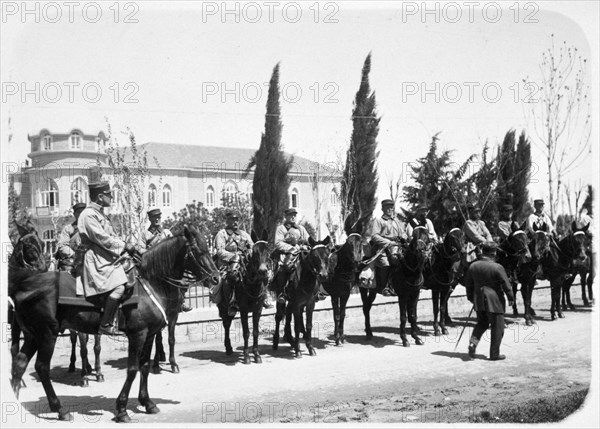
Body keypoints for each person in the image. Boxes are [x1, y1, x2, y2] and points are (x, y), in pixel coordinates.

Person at [78, 182, 136, 335]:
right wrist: (123, 246)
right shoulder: (88, 214)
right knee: (119, 286)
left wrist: (127, 246)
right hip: (97, 259)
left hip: (107, 256)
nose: (111, 197)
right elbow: (101, 237)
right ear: (100, 196)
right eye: (109, 194)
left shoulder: (100, 213)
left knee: (134, 270)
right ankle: (105, 324)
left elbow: (111, 236)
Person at [213, 210, 272, 312]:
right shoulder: (222, 234)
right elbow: (220, 251)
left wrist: (249, 254)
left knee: (260, 273)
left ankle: (264, 297)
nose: (235, 222)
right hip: (227, 263)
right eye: (232, 220)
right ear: (227, 221)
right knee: (230, 277)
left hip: (244, 262)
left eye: (237, 220)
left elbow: (252, 247)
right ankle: (232, 301)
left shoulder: (244, 234)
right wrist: (234, 256)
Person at [465, 242, 515, 361]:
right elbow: (506, 285)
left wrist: (471, 297)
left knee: (481, 324)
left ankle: (473, 344)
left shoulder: (473, 266)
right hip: (495, 301)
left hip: (479, 300)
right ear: (494, 253)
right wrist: (511, 298)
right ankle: (494, 354)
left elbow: (468, 285)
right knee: (497, 327)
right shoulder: (497, 267)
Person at [138, 208, 191, 312]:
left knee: (184, 279)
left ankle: (180, 301)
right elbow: (140, 249)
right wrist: (152, 252)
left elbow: (175, 246)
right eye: (154, 217)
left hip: (168, 265)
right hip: (154, 266)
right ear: (150, 219)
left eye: (158, 217)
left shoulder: (166, 232)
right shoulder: (145, 234)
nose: (157, 219)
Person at [274, 207, 320, 304]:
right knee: (286, 267)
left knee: (315, 264)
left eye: (294, 215)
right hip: (287, 254)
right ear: (285, 216)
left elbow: (308, 240)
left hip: (302, 253)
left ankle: (317, 291)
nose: (293, 217)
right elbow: (278, 243)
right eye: (290, 215)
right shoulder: (281, 229)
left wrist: (308, 246)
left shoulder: (301, 228)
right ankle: (283, 291)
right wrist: (291, 248)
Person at [370, 199, 409, 297]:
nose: (389, 209)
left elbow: (402, 233)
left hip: (397, 246)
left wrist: (405, 237)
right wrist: (388, 242)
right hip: (383, 247)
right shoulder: (379, 221)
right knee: (386, 263)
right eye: (387, 207)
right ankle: (385, 286)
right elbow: (374, 236)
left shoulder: (396, 221)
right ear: (382, 209)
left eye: (391, 207)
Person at [56, 202, 86, 273]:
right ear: (75, 214)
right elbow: (62, 246)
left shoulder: (92, 227)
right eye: (79, 212)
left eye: (84, 212)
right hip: (73, 260)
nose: (81, 215)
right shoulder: (68, 229)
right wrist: (74, 255)